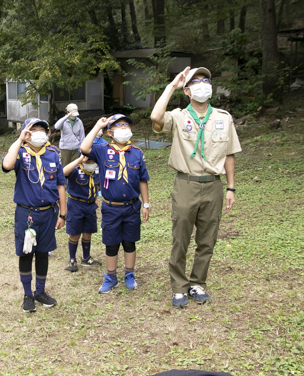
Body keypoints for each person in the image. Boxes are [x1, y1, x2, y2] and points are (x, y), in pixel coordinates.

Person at [151, 67, 242, 308]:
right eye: (196, 81)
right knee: (181, 238)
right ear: (188, 90)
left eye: (207, 80)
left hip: (213, 186)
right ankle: (179, 287)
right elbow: (156, 118)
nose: (203, 84)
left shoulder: (223, 117)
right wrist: (172, 86)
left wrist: (231, 188)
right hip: (186, 184)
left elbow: (230, 154)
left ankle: (197, 282)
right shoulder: (179, 116)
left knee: (207, 239)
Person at [2, 118, 67, 312]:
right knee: (25, 253)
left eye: (42, 129)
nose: (38, 132)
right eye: (33, 130)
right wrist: (20, 140)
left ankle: (40, 291)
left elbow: (61, 184)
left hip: (48, 213)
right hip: (26, 213)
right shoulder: (20, 153)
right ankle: (27, 294)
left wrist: (63, 214)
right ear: (25, 133)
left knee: (43, 254)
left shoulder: (54, 154)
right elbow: (6, 165)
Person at [80, 114, 150, 294]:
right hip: (111, 208)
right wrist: (97, 126)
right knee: (111, 244)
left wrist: (146, 204)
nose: (124, 128)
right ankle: (111, 277)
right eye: (119, 126)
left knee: (130, 242)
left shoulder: (136, 152)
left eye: (126, 125)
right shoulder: (102, 150)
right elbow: (84, 147)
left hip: (132, 206)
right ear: (110, 132)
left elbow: (143, 180)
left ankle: (129, 274)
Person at [63, 153, 102, 272]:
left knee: (87, 232)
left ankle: (86, 258)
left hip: (90, 205)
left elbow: (97, 186)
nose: (90, 165)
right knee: (75, 233)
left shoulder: (96, 171)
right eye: (88, 163)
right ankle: (72, 259)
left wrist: (95, 197)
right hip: (76, 204)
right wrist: (79, 160)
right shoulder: (75, 170)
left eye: (92, 163)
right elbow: (64, 172)